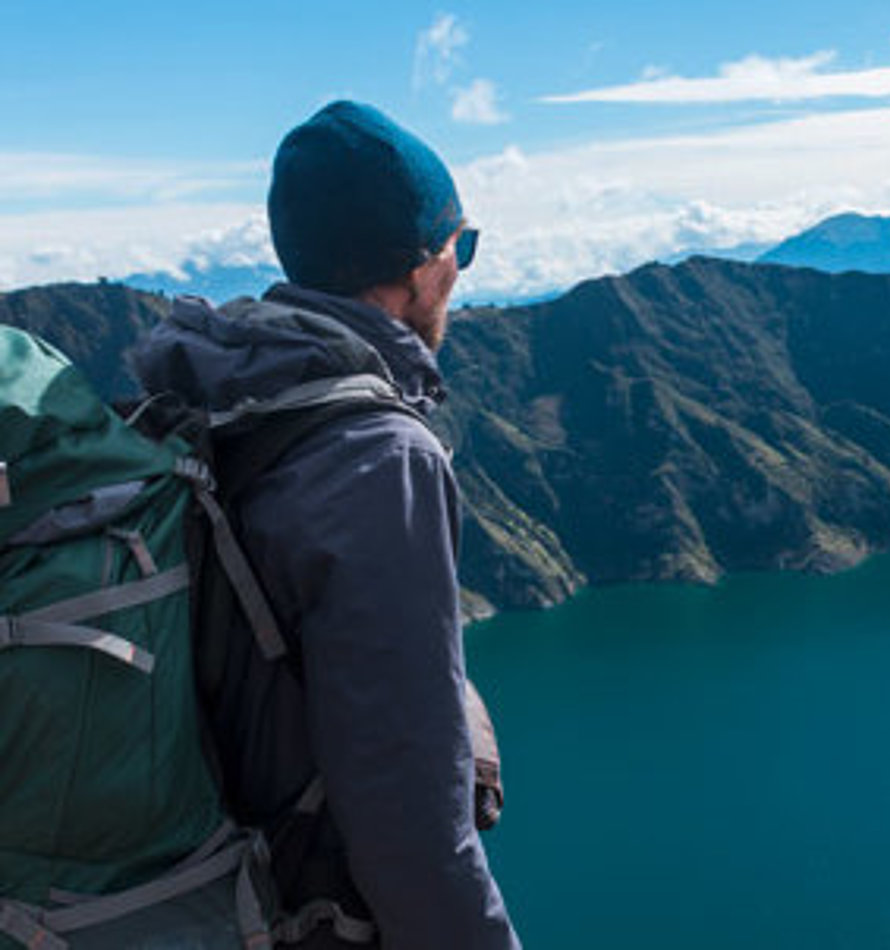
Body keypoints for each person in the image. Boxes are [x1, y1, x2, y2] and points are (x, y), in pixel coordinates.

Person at [134, 100, 521, 949]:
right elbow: (413, 826)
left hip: (192, 892)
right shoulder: (382, 460)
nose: (461, 271)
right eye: (462, 246)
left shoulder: (205, 388)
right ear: (421, 265)